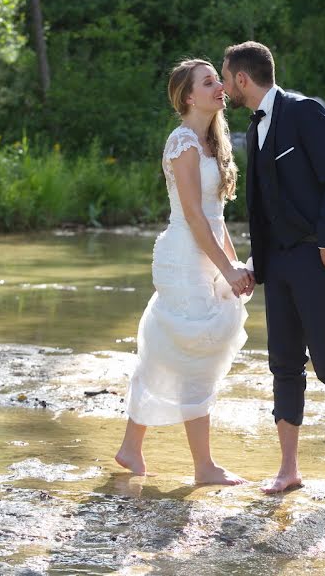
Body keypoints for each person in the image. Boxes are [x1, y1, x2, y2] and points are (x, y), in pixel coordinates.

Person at [221, 41, 325, 500]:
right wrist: (255, 265)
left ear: (242, 79)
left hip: (317, 258)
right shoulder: (255, 124)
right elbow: (265, 207)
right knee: (283, 364)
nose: (225, 88)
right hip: (280, 263)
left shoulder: (305, 111)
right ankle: (288, 469)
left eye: (226, 79)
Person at [115, 58, 253, 486]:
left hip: (206, 253)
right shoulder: (184, 143)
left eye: (219, 81)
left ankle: (130, 448)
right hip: (182, 255)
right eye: (209, 83)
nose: (220, 88)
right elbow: (193, 217)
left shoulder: (213, 142)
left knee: (170, 351)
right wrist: (226, 267)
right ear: (188, 96)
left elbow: (215, 217)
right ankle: (203, 467)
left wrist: (234, 265)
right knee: (196, 352)